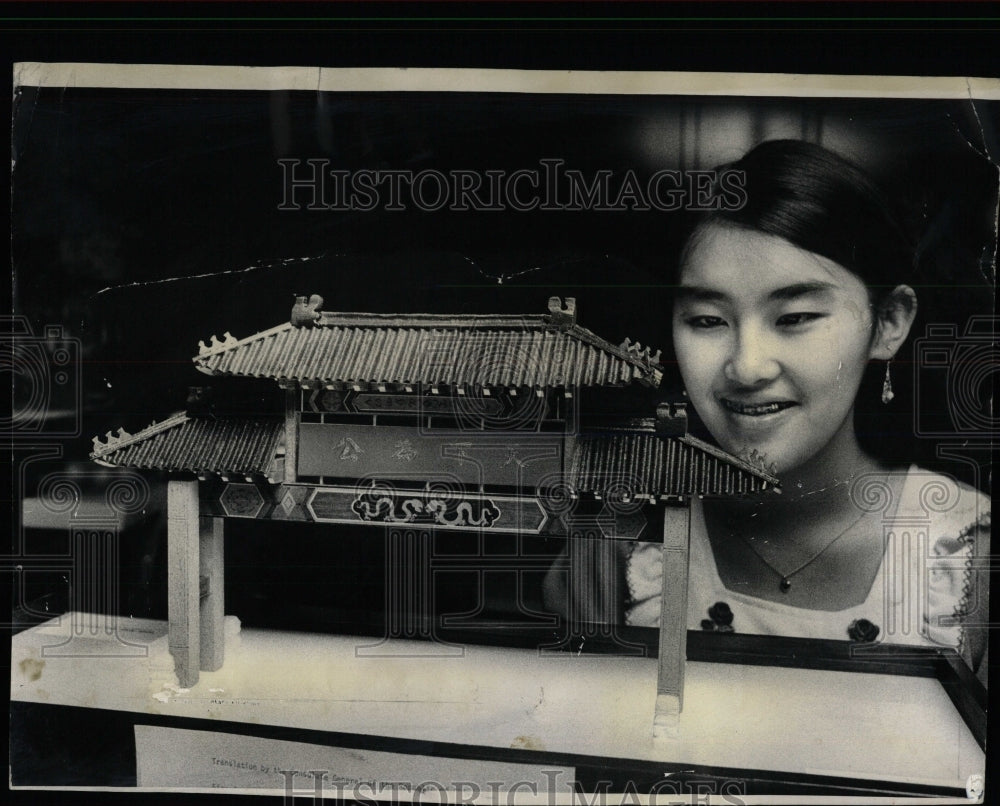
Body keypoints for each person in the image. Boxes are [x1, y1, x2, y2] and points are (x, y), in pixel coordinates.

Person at [545, 140, 990, 683]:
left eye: (796, 317)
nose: (747, 367)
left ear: (889, 321)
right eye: (708, 320)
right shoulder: (619, 552)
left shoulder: (967, 558)